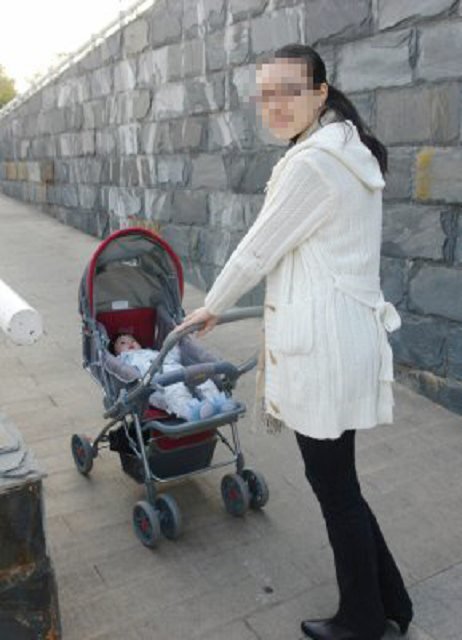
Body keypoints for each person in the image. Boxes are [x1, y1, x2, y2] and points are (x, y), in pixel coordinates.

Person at [176, 44, 413, 640]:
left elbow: (258, 248)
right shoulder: (343, 149)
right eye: (266, 94)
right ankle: (392, 602)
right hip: (344, 339)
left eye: (289, 90)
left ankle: (362, 620)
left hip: (325, 346)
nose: (275, 105)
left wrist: (212, 305)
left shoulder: (312, 165)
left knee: (334, 488)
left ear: (320, 91)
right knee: (342, 484)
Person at [109, 333, 237, 422]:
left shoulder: (152, 352)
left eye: (133, 340)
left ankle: (218, 402)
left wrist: (174, 343)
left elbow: (171, 356)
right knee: (175, 393)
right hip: (156, 385)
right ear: (116, 352)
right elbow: (123, 371)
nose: (130, 343)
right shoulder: (123, 359)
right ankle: (192, 412)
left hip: (179, 372)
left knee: (205, 381)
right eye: (123, 343)